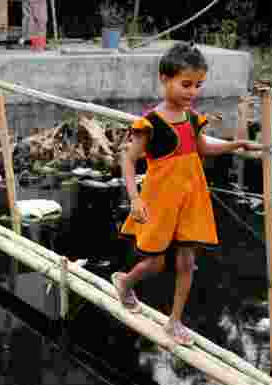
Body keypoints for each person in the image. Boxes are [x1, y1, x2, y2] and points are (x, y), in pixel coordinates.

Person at [112, 42, 261, 347]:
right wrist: (135, 198)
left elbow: (203, 147)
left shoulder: (192, 118)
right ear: (164, 79)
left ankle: (175, 321)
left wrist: (236, 145)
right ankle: (125, 282)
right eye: (185, 84)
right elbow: (128, 159)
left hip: (191, 199)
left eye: (198, 85)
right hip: (160, 200)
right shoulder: (150, 123)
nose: (192, 92)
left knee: (186, 263)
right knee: (155, 263)